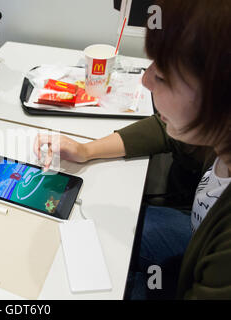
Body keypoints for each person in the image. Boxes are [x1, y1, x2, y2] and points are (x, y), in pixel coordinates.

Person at [34, 0, 231, 299]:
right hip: (193, 243)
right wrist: (87, 150)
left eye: (163, 76)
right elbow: (165, 131)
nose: (145, 79)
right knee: (104, 223)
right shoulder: (217, 133)